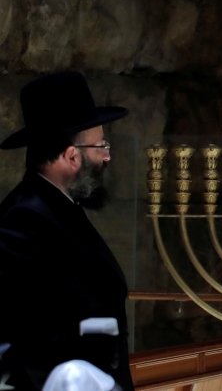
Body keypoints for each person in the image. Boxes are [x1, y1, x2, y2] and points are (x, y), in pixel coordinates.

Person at [0, 72, 132, 391]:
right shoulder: (24, 218)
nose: (107, 155)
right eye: (101, 145)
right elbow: (32, 338)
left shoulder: (59, 206)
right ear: (71, 156)